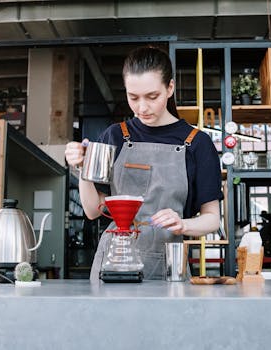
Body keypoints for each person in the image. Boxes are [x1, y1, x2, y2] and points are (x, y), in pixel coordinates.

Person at [65, 46, 223, 280]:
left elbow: (211, 218)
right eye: (133, 97)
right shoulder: (114, 136)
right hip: (112, 262)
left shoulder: (197, 143)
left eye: (152, 97)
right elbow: (92, 211)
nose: (142, 108)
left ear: (170, 88)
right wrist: (81, 169)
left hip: (169, 263)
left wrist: (183, 225)